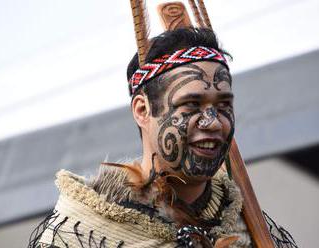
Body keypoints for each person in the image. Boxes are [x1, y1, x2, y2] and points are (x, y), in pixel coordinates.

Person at [28, 27, 297, 248]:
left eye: (224, 105)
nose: (214, 122)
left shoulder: (247, 224)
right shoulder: (78, 235)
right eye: (191, 105)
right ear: (143, 110)